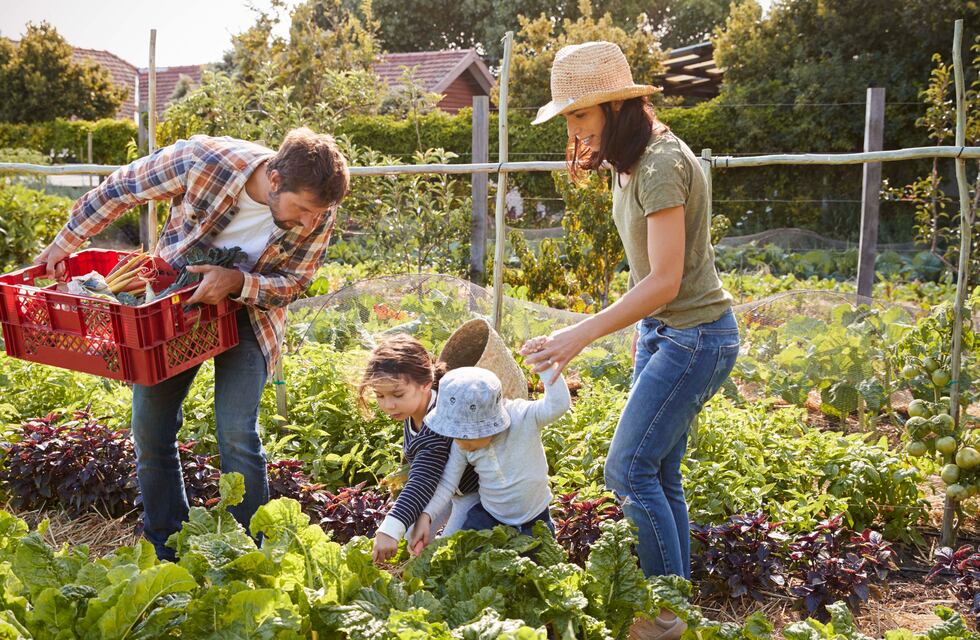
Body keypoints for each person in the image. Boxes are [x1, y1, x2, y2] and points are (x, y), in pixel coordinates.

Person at [34, 128, 350, 561]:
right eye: (302, 210)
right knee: (151, 429)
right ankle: (167, 546)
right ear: (274, 179)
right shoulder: (205, 160)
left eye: (317, 214)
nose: (309, 223)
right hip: (173, 310)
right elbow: (121, 189)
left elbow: (295, 282)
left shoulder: (320, 209)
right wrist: (62, 245)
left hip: (250, 316)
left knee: (237, 432)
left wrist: (237, 281)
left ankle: (245, 556)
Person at [519, 41, 740, 639]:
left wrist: (579, 334)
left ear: (617, 107)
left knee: (628, 470)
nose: (573, 129)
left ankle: (666, 619)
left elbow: (666, 281)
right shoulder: (629, 162)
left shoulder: (662, 162)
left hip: (695, 337)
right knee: (659, 472)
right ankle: (676, 608)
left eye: (580, 114)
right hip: (665, 331)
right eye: (567, 116)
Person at [409, 365, 571, 553]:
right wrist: (426, 516)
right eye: (455, 434)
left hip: (534, 519)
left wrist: (546, 365)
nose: (460, 443)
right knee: (463, 555)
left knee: (537, 569)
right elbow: (447, 483)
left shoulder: (523, 417)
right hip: (490, 517)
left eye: (466, 436)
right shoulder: (461, 445)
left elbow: (558, 405)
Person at [359, 334, 481, 563]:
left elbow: (422, 480)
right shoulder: (414, 408)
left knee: (448, 553)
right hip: (445, 489)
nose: (388, 405)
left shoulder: (439, 422)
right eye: (380, 396)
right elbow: (420, 471)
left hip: (473, 493)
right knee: (411, 538)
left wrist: (388, 530)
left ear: (425, 384)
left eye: (397, 395)